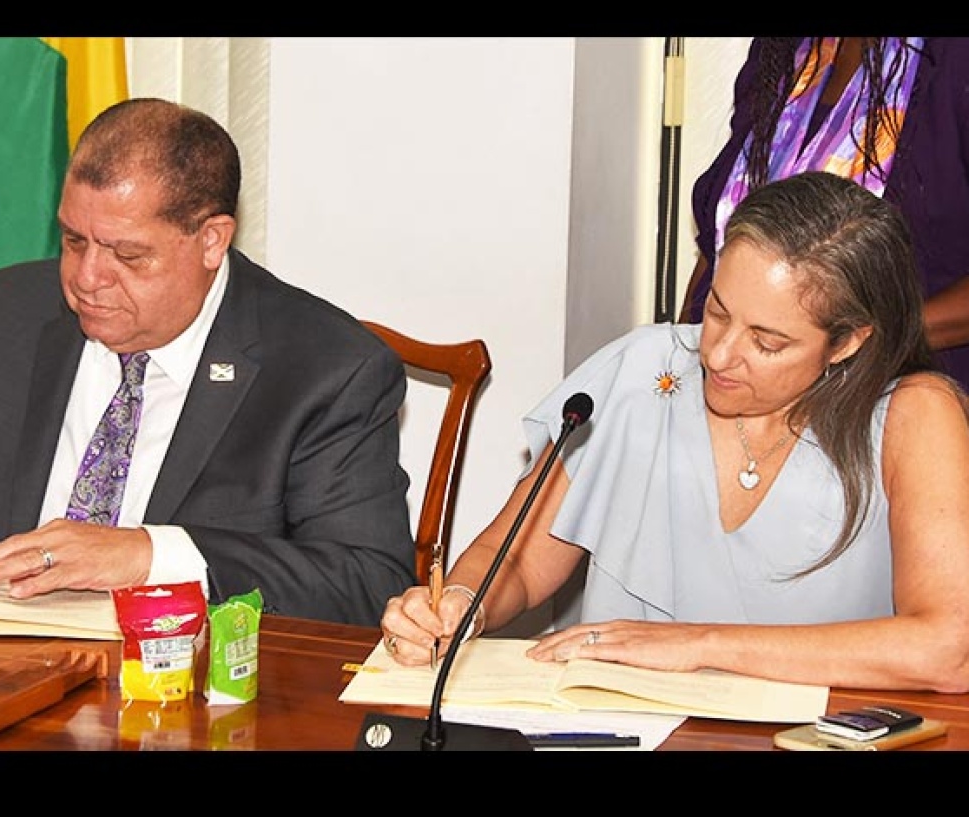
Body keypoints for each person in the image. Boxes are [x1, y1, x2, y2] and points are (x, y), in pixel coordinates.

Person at [0, 97, 416, 628]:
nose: (86, 278)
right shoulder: (8, 310)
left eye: (127, 256)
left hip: (189, 695)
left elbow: (364, 579)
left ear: (212, 240)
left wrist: (146, 555)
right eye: (73, 240)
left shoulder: (326, 368)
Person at [381, 171, 969, 693]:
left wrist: (699, 646)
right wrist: (461, 606)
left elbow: (949, 651)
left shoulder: (912, 415)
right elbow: (520, 562)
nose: (719, 354)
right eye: (717, 312)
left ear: (849, 342)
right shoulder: (647, 370)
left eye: (767, 342)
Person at [680, 38, 969, 392]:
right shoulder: (782, 49)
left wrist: (856, 345)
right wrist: (679, 366)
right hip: (733, 393)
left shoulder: (954, 60)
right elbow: (722, 239)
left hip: (883, 403)